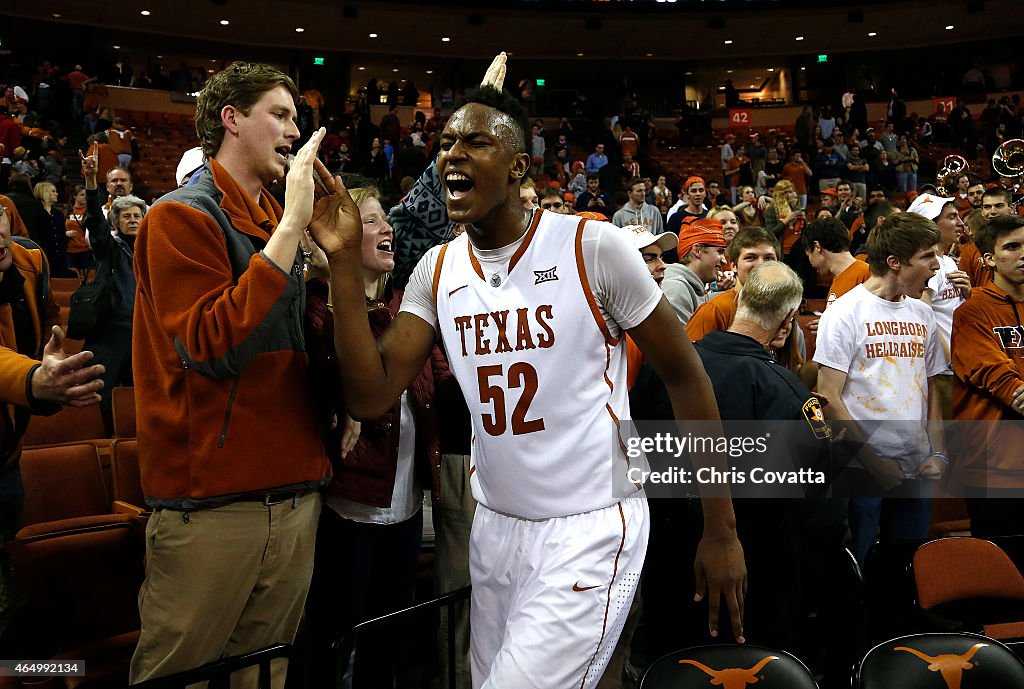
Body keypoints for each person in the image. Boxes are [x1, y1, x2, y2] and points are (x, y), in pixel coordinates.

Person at [308, 53, 745, 689]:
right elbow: (371, 395)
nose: (453, 154)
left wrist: (721, 528)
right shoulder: (437, 269)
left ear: (518, 167)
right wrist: (344, 263)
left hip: (591, 523)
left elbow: (687, 378)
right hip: (496, 526)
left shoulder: (592, 248)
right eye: (446, 142)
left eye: (475, 141)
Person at [129, 62, 332, 686]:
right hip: (211, 506)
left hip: (295, 493)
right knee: (178, 676)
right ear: (232, 119)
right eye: (280, 114)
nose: (294, 131)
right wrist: (293, 228)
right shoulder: (178, 217)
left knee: (264, 677)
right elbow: (210, 344)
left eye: (296, 118)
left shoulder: (281, 224)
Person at [302, 180, 444, 688]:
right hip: (349, 508)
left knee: (388, 642)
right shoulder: (316, 307)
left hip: (405, 507)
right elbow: (328, 372)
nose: (387, 228)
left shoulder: (408, 309)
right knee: (334, 640)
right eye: (370, 221)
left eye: (386, 219)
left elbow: (444, 378)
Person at [814, 212, 948, 567]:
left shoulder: (923, 314)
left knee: (909, 570)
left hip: (916, 467)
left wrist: (939, 453)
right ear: (894, 262)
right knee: (858, 570)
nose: (937, 265)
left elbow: (932, 386)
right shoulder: (845, 313)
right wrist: (874, 464)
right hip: (861, 469)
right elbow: (828, 399)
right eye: (928, 256)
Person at [952, 215, 1024, 537]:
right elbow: (999, 377)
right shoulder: (972, 312)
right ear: (989, 259)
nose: (1023, 254)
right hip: (994, 470)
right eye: (1012, 247)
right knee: (1000, 574)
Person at [79, 152, 142, 429]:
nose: (132, 220)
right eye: (126, 216)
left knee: (137, 396)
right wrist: (91, 182)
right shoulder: (110, 248)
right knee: (103, 396)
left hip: (141, 333)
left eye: (137, 215)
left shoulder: (151, 251)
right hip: (110, 332)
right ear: (116, 223)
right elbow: (95, 222)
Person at [662, 217, 727, 325]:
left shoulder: (693, 287)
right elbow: (681, 341)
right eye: (720, 252)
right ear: (697, 250)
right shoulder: (676, 289)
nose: (724, 261)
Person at [63, 185, 92, 281]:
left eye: (86, 195)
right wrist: (66, 233)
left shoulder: (89, 212)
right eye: (82, 195)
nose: (85, 197)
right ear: (75, 196)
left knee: (86, 278)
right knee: (73, 278)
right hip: (70, 250)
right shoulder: (68, 211)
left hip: (85, 250)